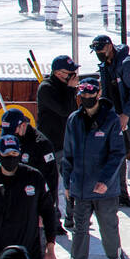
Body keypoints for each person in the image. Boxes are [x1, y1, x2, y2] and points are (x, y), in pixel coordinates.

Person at [61, 77, 126, 259]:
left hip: (104, 190)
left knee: (108, 227)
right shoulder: (74, 120)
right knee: (80, 231)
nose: (86, 98)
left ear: (98, 94)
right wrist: (67, 181)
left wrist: (105, 181)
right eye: (83, 94)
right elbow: (68, 154)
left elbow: (117, 153)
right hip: (80, 188)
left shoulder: (110, 120)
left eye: (90, 94)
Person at [91, 33, 130, 207]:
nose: (98, 53)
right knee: (117, 156)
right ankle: (120, 193)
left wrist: (126, 115)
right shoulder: (105, 65)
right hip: (116, 118)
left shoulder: (127, 64)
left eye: (101, 49)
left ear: (110, 46)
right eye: (95, 50)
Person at [36, 56, 79, 231]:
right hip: (50, 145)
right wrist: (70, 90)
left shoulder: (65, 88)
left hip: (67, 143)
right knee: (51, 186)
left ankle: (72, 217)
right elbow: (64, 110)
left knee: (72, 182)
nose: (72, 76)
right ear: (58, 73)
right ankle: (52, 222)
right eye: (69, 73)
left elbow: (73, 112)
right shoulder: (46, 88)